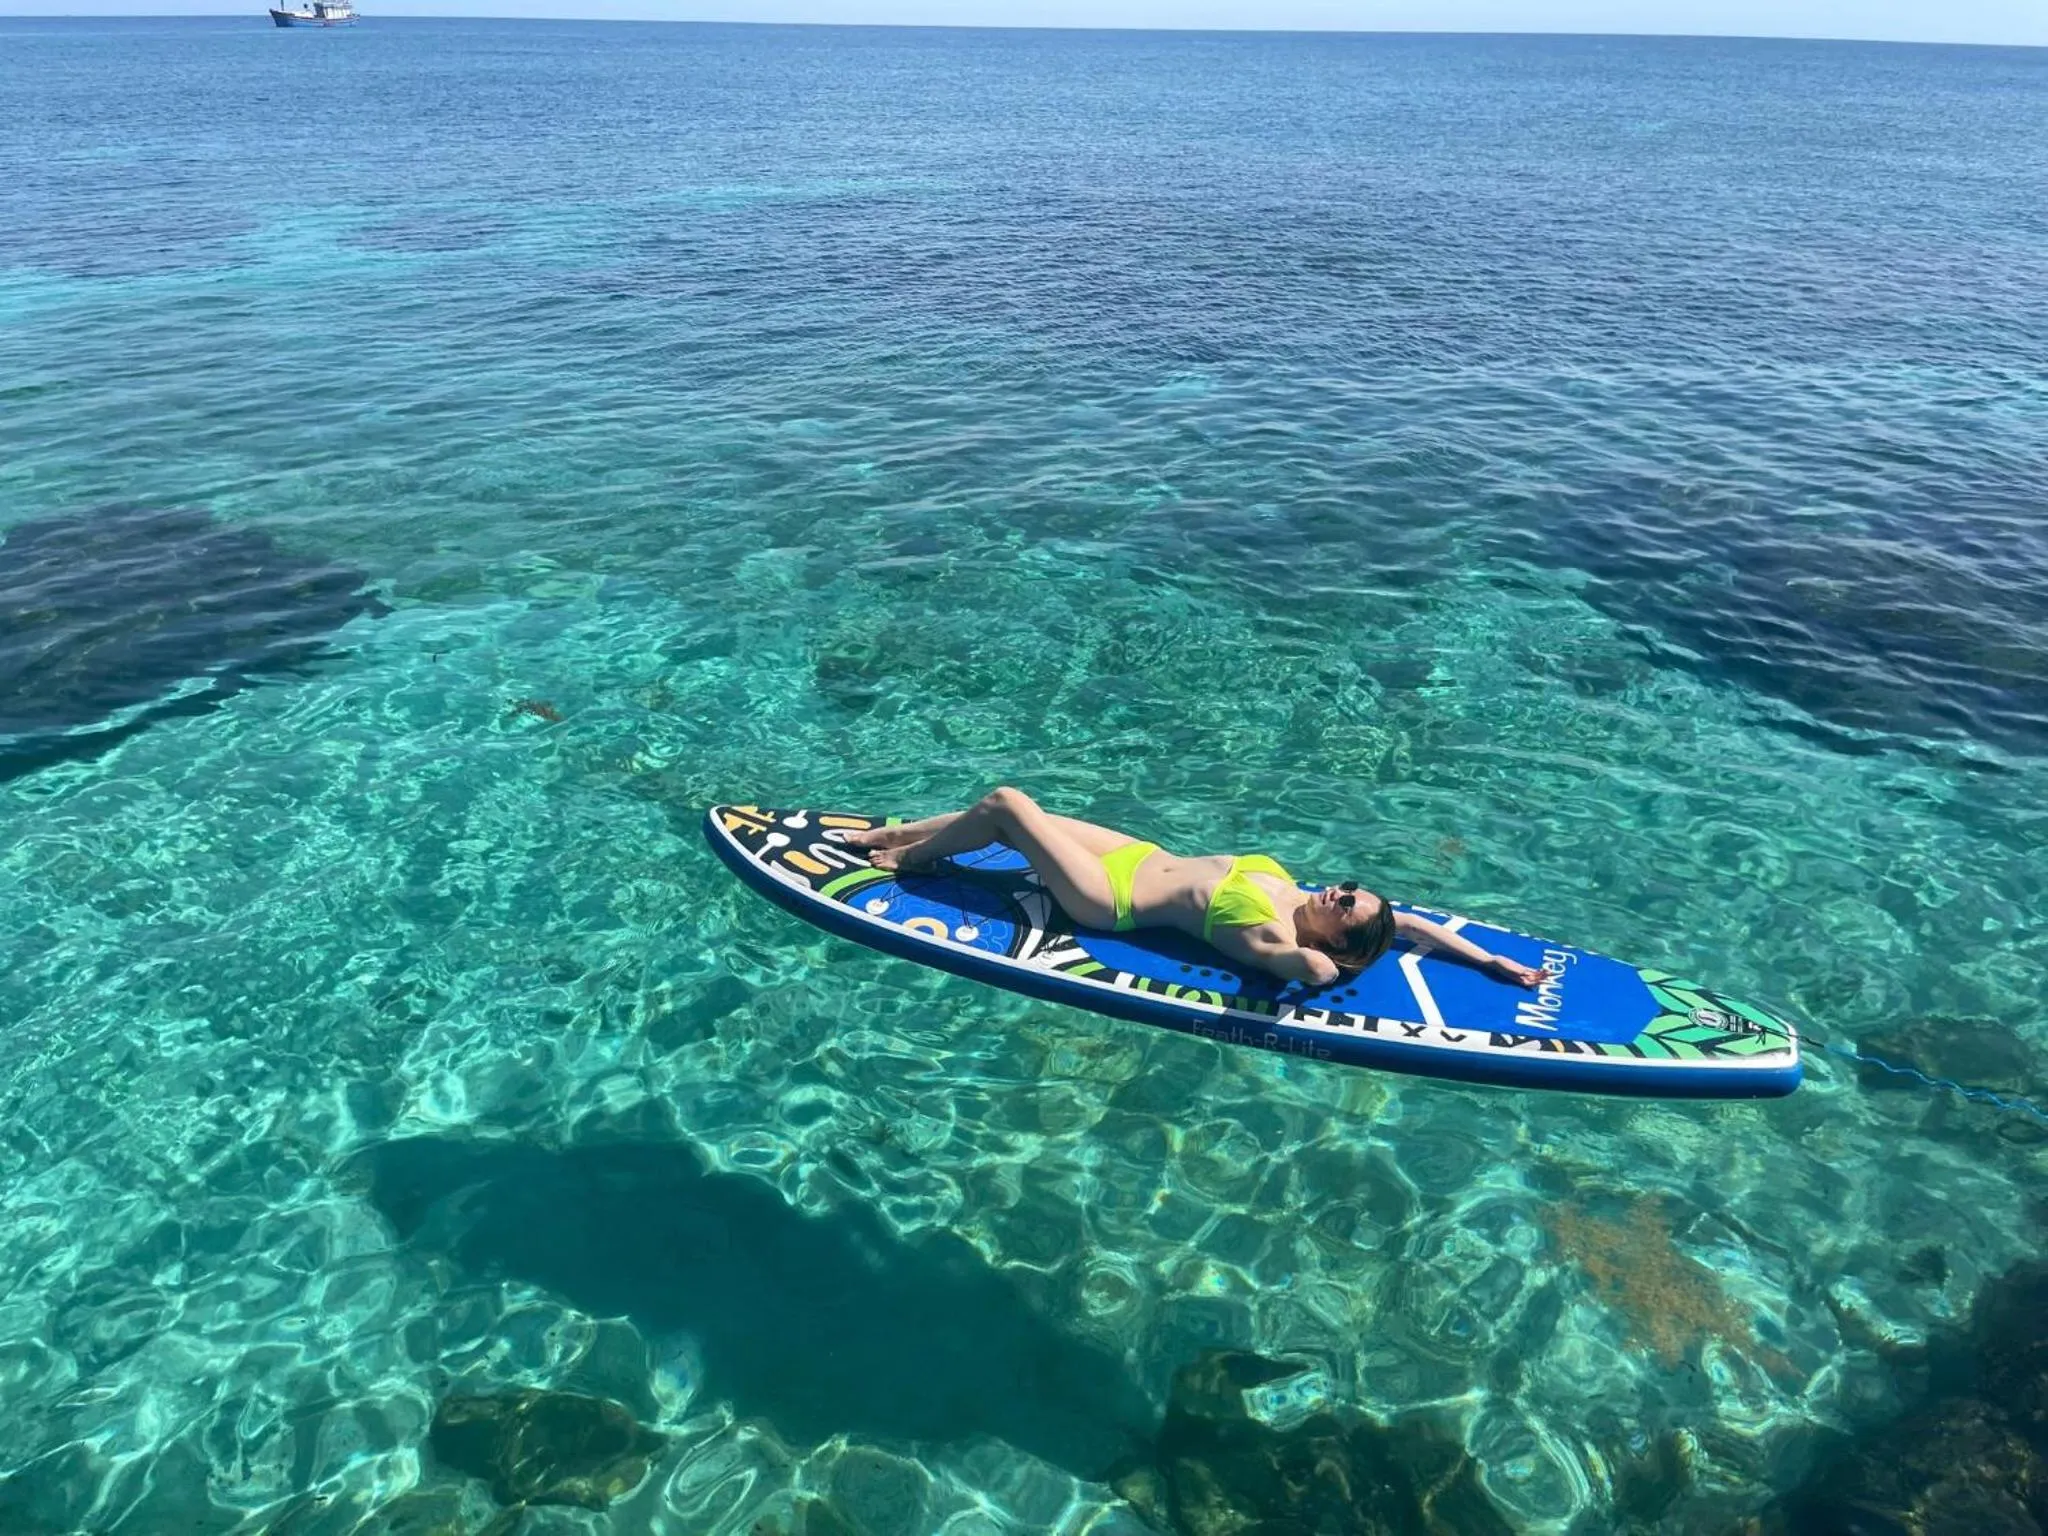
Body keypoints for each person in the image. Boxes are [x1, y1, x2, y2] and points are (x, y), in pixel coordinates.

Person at [840, 786, 1549, 991]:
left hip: (1106, 901)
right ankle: (893, 838)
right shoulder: (1290, 890)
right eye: (1350, 889)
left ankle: (916, 862)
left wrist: (1331, 969)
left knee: (1007, 806)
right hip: (1140, 854)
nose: (1338, 892)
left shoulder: (1277, 940)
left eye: (1345, 908)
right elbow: (1413, 928)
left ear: (1337, 938)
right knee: (1032, 816)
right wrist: (1486, 959)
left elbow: (1321, 970)